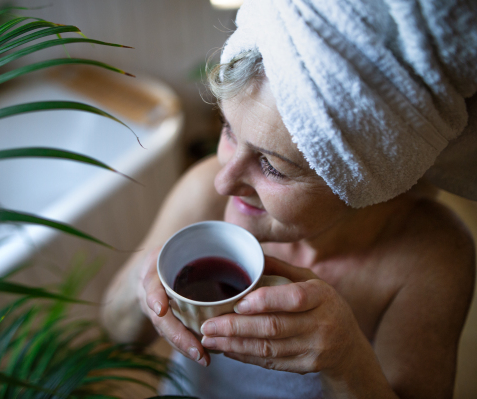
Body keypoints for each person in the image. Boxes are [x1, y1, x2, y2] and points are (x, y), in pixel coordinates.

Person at [102, 0, 477, 397]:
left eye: (274, 167)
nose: (224, 182)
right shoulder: (203, 193)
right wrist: (141, 289)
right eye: (228, 130)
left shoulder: (428, 260)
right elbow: (115, 332)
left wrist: (347, 360)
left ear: (365, 184)